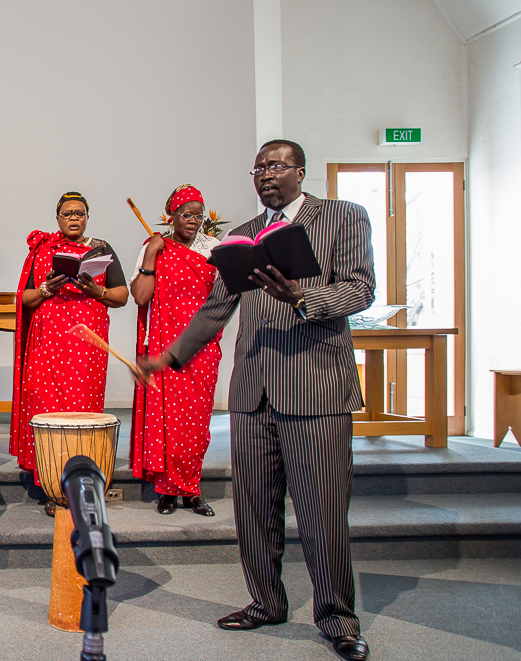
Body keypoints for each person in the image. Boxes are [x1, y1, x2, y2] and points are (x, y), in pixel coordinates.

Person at [136, 140, 373, 661]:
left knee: (322, 510)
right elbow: (217, 307)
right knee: (254, 508)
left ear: (301, 172)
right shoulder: (240, 237)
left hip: (316, 391)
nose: (266, 173)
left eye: (277, 164)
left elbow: (361, 289)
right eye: (259, 166)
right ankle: (266, 601)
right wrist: (170, 358)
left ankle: (337, 617)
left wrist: (305, 296)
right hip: (253, 393)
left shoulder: (341, 218)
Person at [11, 191, 129, 517]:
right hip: (49, 343)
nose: (74, 218)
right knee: (50, 409)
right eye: (67, 213)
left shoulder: (102, 249)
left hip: (87, 345)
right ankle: (53, 484)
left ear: (87, 216)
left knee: (84, 411)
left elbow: (122, 296)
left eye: (79, 212)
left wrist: (97, 290)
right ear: (58, 218)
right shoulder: (44, 251)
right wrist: (49, 287)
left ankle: (82, 482)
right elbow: (27, 300)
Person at [129, 185, 222, 516]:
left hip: (202, 345)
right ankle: (167, 490)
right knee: (166, 417)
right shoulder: (155, 247)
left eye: (199, 215)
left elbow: (222, 299)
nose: (194, 221)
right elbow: (140, 296)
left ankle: (191, 487)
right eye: (187, 214)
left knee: (196, 419)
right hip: (164, 345)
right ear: (172, 216)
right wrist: (152, 255)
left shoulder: (214, 248)